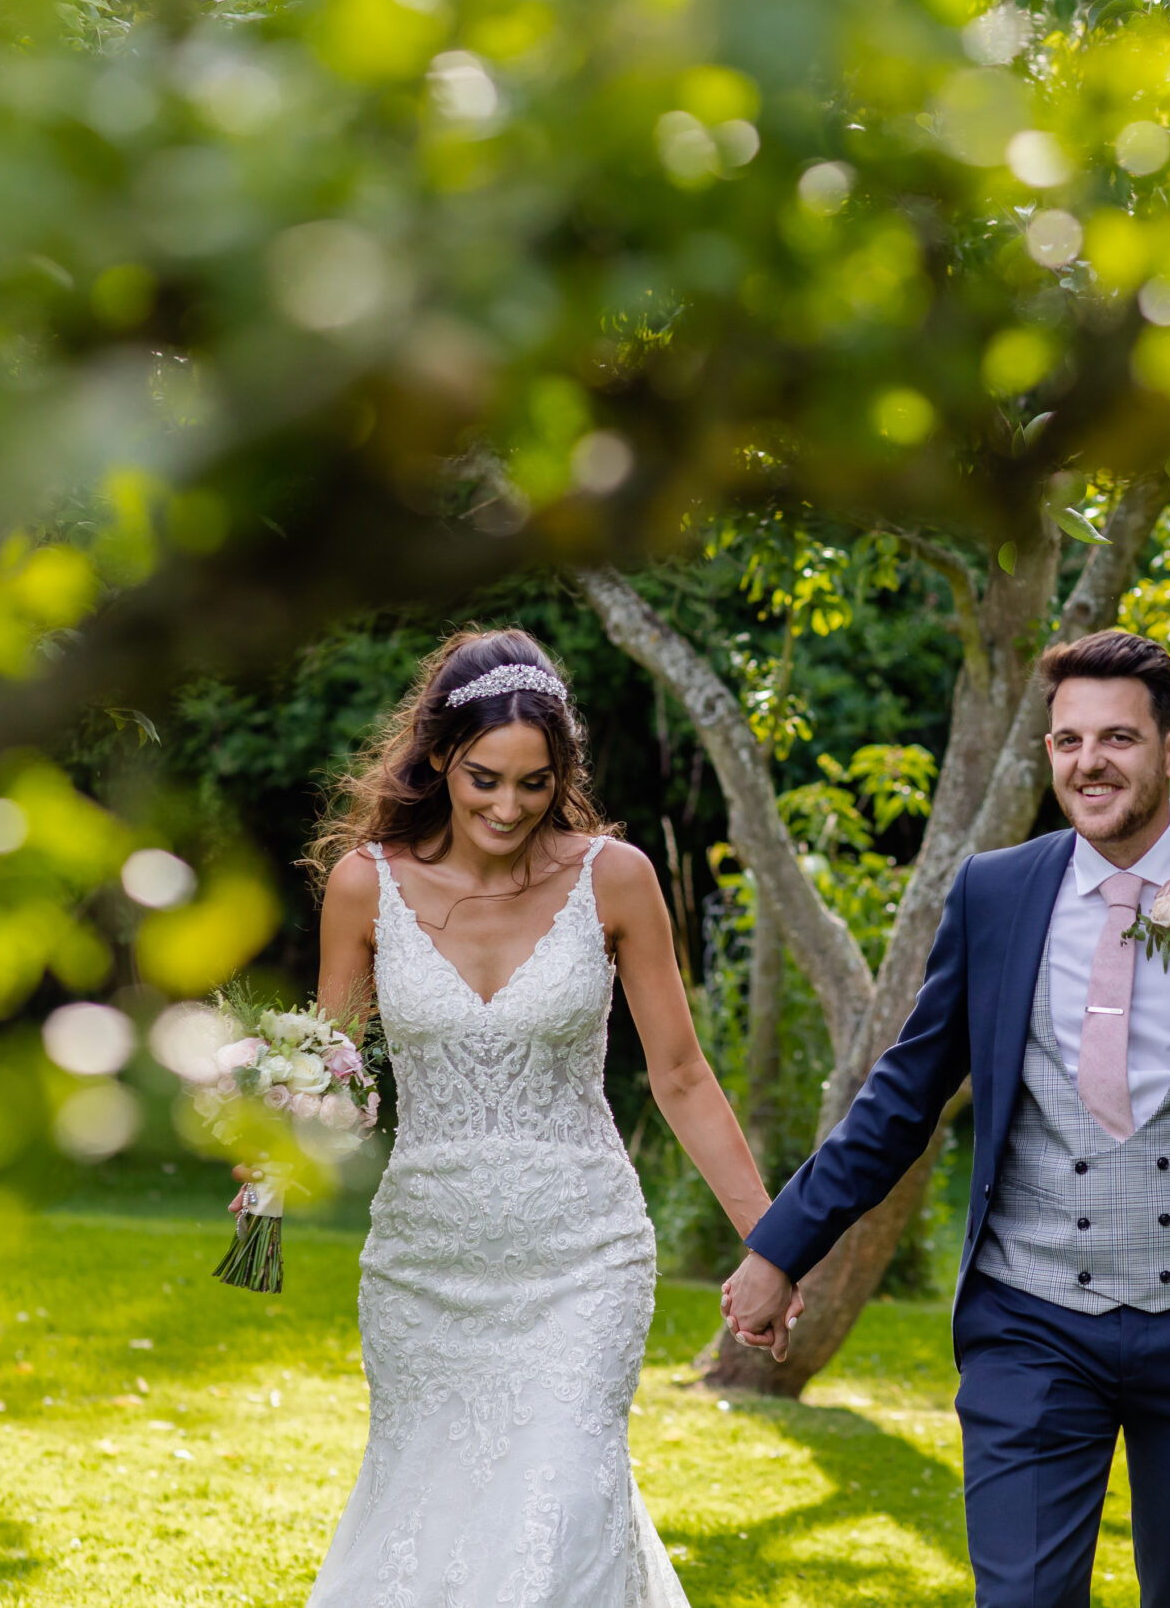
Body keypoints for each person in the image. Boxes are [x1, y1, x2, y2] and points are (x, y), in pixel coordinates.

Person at [722, 629, 1170, 1608]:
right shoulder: (996, 894)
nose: (1090, 764)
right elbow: (902, 1097)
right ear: (1047, 753)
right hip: (1029, 1322)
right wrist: (782, 1247)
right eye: (1068, 741)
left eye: (1117, 739)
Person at [304, 629, 770, 1607]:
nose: (508, 807)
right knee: (425, 1521)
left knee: (557, 1511)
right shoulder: (365, 887)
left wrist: (770, 1241)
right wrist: (274, 1143)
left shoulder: (617, 878)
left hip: (582, 1256)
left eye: (533, 781)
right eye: (484, 780)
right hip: (425, 1267)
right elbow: (335, 1083)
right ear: (437, 757)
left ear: (562, 772)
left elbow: (681, 1076)